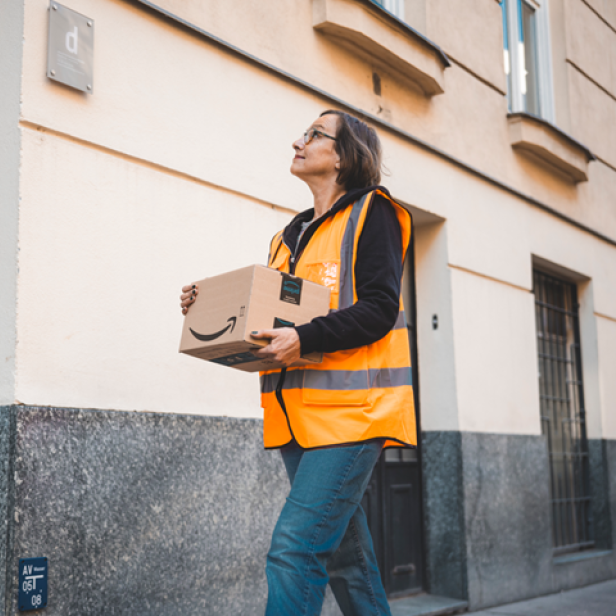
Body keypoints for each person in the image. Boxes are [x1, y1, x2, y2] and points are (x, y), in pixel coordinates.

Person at [180, 110, 417, 616]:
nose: (298, 141)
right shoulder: (288, 236)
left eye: (313, 135)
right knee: (347, 563)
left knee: (294, 549)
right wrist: (207, 307)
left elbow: (378, 307)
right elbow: (272, 316)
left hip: (354, 416)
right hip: (296, 420)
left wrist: (304, 336)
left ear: (345, 153)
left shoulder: (372, 213)